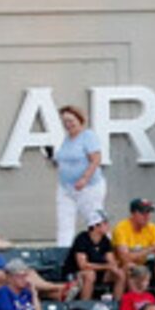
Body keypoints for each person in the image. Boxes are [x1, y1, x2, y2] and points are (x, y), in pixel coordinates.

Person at [53, 103, 107, 242]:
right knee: (64, 222)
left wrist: (84, 178)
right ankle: (64, 252)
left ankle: (104, 249)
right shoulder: (67, 140)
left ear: (79, 120)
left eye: (71, 121)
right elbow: (64, 161)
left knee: (94, 220)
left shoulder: (87, 136)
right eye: (65, 121)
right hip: (66, 187)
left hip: (88, 188)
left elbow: (96, 159)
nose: (68, 124)